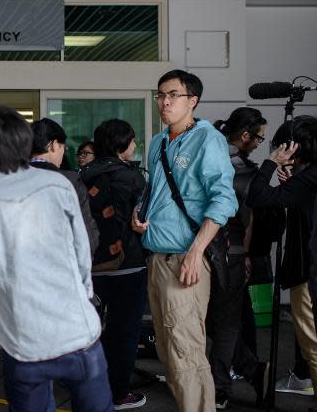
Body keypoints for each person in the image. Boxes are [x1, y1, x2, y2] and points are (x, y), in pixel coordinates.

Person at [0, 106, 112, 412]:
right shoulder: (59, 185)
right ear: (25, 142)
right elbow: (82, 252)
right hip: (79, 335)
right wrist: (86, 296)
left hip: (24, 344)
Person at [131, 70, 238, 412]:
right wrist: (139, 212)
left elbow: (223, 200)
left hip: (184, 260)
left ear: (193, 100)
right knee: (167, 351)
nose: (165, 102)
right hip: (157, 258)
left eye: (173, 95)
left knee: (186, 352)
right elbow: (156, 190)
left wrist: (196, 253)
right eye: (160, 95)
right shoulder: (159, 142)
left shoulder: (208, 139)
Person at [246, 116, 317, 410]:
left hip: (310, 273)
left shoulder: (309, 176)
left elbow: (258, 196)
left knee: (312, 344)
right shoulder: (309, 177)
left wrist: (272, 163)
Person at [80, 119, 148, 410]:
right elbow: (143, 219)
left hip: (90, 265)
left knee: (89, 330)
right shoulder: (133, 177)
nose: (134, 146)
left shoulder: (81, 176)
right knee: (124, 332)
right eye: (131, 141)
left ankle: (86, 386)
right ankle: (119, 392)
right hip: (127, 264)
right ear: (121, 145)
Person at [207, 108, 270, 409]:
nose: (259, 143)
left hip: (197, 247)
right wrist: (244, 253)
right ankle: (238, 377)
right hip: (229, 250)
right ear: (245, 135)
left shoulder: (207, 150)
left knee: (211, 320)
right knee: (226, 322)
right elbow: (248, 217)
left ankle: (226, 381)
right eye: (258, 137)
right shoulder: (243, 169)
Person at [29, 118, 100, 253]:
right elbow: (88, 238)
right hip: (60, 267)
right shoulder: (70, 182)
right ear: (53, 145)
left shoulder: (10, 180)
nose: (63, 152)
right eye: (63, 147)